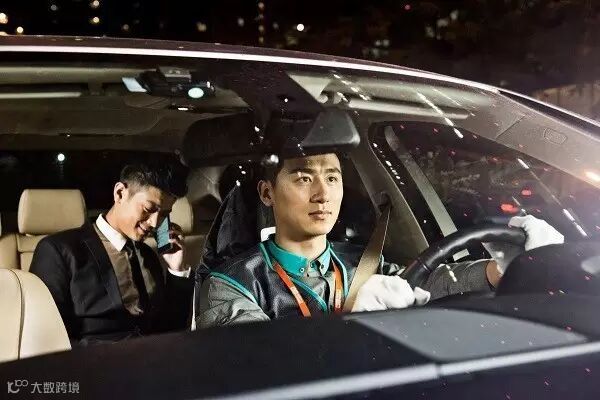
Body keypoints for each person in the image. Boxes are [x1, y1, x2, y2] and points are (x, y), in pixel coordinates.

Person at [196, 153, 563, 327]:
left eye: (333, 178)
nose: (323, 194)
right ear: (267, 193)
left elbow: (427, 282)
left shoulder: (363, 263)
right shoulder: (230, 285)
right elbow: (259, 369)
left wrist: (497, 271)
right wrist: (351, 326)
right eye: (304, 179)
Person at [30, 161, 194, 345]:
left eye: (164, 214)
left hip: (154, 356)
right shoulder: (58, 250)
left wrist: (177, 270)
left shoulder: (148, 255)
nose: (155, 223)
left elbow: (170, 329)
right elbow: (48, 337)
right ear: (120, 193)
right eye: (148, 209)